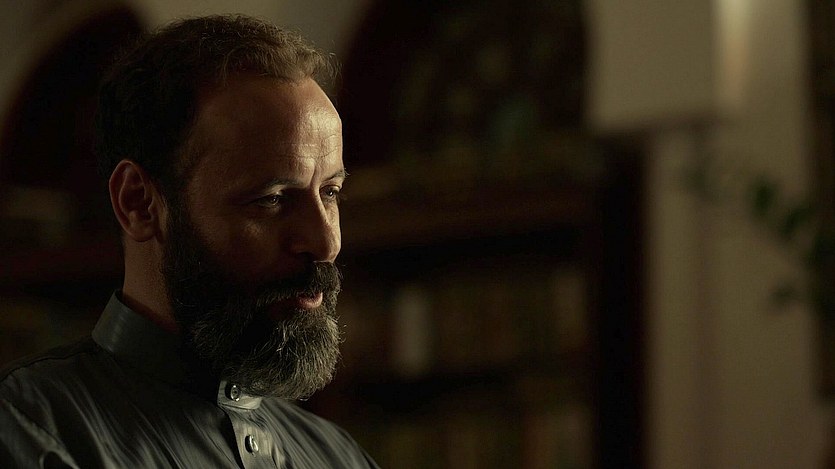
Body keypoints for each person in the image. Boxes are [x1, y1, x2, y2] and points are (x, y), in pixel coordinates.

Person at [0, 14, 380, 468]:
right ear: (139, 203)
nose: (325, 242)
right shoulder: (29, 430)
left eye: (330, 192)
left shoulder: (340, 457)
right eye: (272, 199)